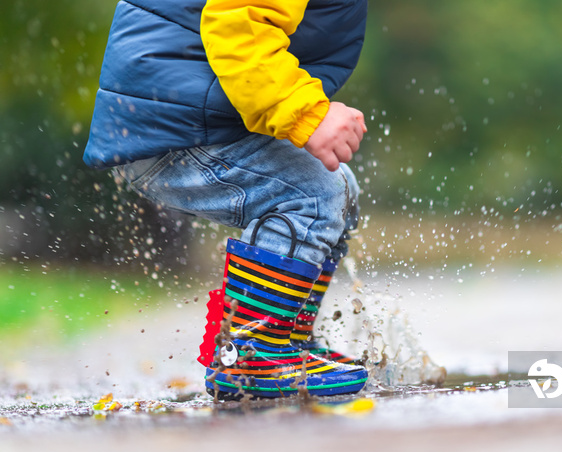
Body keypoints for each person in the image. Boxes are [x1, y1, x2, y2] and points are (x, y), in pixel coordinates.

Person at [84, 0, 370, 399]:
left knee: (341, 189)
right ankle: (251, 357)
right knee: (315, 192)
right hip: (173, 122)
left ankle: (283, 339)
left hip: (180, 112)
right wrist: (307, 114)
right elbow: (237, 25)